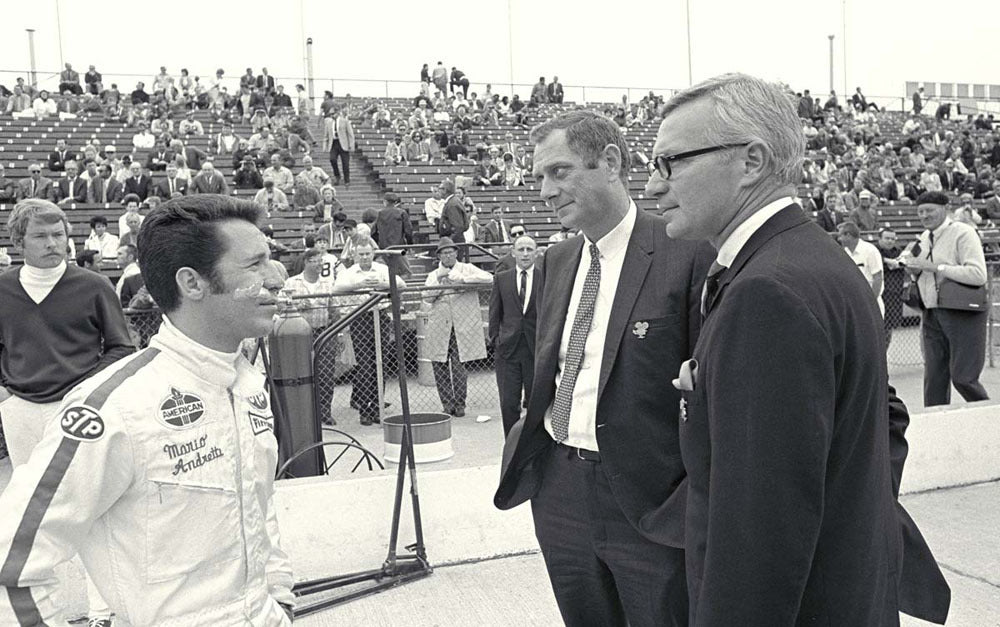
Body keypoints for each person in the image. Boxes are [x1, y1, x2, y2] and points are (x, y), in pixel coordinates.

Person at [646, 72, 947, 625]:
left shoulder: (768, 290)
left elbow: (758, 528)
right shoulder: (811, 259)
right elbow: (884, 419)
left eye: (672, 163)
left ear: (751, 162)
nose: (653, 187)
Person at [0, 194, 296, 624]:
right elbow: (13, 561)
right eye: (255, 265)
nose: (277, 278)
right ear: (192, 283)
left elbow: (260, 507)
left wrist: (278, 597)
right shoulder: (114, 409)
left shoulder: (247, 383)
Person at [494, 111, 711, 627]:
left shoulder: (688, 253)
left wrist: (684, 500)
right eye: (539, 177)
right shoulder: (556, 261)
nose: (545, 191)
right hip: (559, 491)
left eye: (560, 172)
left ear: (610, 163)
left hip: (649, 500)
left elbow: (708, 393)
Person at [0, 200, 133, 624]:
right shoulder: (2, 288)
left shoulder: (93, 285)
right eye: (41, 236)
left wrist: (86, 392)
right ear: (18, 241)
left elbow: (121, 349)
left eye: (59, 234)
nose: (54, 243)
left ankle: (102, 612)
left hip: (79, 411)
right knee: (33, 514)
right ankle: (47, 609)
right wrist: (5, 397)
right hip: (21, 409)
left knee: (93, 511)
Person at [900, 191, 989, 407]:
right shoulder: (922, 238)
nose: (924, 216)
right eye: (920, 212)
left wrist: (937, 267)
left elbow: (978, 274)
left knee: (963, 378)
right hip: (931, 311)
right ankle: (935, 427)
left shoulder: (964, 233)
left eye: (929, 210)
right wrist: (913, 270)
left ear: (945, 209)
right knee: (934, 380)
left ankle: (990, 417)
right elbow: (923, 271)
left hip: (961, 311)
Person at [333, 238, 406, 424]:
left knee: (380, 363)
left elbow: (401, 284)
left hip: (380, 315)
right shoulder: (350, 272)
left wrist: (382, 284)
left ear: (373, 253)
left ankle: (377, 407)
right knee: (364, 366)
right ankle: (364, 409)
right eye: (361, 254)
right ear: (355, 255)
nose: (365, 257)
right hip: (359, 318)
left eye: (367, 253)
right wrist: (358, 286)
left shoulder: (381, 270)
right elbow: (336, 289)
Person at [423, 237, 492, 417]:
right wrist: (440, 283)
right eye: (444, 253)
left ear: (456, 253)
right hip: (441, 324)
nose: (448, 256)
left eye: (451, 252)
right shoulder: (434, 274)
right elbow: (426, 297)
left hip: (462, 324)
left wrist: (462, 280)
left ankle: (460, 403)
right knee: (439, 364)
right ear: (439, 256)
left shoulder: (467, 268)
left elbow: (488, 278)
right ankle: (447, 403)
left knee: (459, 366)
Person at [488, 235, 541, 436]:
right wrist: (496, 340)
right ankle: (511, 446)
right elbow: (495, 313)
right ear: (513, 253)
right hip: (508, 351)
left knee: (536, 402)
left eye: (529, 249)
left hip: (535, 350)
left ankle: (534, 446)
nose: (525, 254)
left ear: (536, 252)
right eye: (521, 249)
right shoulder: (502, 279)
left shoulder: (545, 278)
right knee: (509, 403)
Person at [838, 220, 884, 316]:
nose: (839, 239)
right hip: (853, 303)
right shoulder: (844, 252)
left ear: (848, 235)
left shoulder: (870, 251)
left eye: (841, 235)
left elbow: (878, 278)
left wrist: (871, 301)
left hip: (870, 303)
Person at [373, 191, 413, 278]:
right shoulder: (401, 213)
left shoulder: (380, 213)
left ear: (385, 202)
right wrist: (409, 245)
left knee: (390, 272)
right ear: (395, 202)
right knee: (406, 273)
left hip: (384, 247)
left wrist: (378, 244)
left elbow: (373, 232)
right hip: (399, 246)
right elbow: (408, 231)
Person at [327, 107, 356, 185]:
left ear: (337, 113)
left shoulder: (345, 121)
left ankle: (347, 179)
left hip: (343, 143)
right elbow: (326, 135)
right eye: (330, 114)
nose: (331, 116)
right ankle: (337, 176)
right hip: (333, 143)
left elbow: (350, 134)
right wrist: (325, 146)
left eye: (333, 114)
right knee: (332, 159)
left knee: (345, 163)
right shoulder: (329, 123)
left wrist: (351, 145)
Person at [438, 179, 470, 243]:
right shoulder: (453, 201)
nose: (438, 191)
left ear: (445, 190)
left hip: (455, 245)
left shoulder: (452, 204)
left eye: (440, 189)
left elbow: (457, 228)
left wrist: (449, 243)